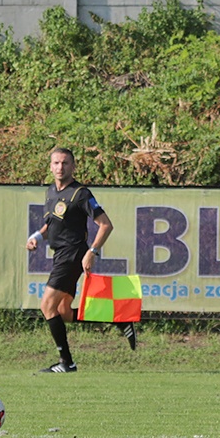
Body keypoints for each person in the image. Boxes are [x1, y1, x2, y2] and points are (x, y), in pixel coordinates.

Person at [26, 148, 136, 373]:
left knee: (47, 305)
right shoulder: (50, 192)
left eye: (65, 163)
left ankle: (67, 363)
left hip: (72, 253)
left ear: (73, 167)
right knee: (64, 312)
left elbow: (106, 225)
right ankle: (120, 321)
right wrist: (37, 236)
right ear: (50, 166)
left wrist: (92, 251)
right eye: (56, 163)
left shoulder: (81, 193)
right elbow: (52, 224)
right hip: (60, 254)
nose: (60, 167)